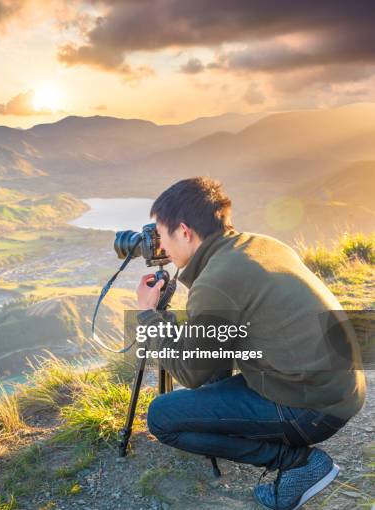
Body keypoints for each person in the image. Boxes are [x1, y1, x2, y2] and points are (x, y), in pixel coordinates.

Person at [135, 177, 366, 510]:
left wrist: (147, 315)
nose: (162, 248)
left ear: (185, 231)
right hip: (338, 386)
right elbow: (213, 356)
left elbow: (190, 373)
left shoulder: (217, 280)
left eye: (163, 235)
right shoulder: (260, 244)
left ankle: (296, 462)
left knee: (161, 417)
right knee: (208, 386)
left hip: (313, 408)